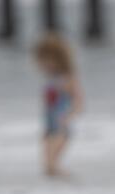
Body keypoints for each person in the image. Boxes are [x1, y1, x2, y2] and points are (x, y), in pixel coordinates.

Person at [33, 34, 83, 178]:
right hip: (49, 114)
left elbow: (78, 97)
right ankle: (49, 165)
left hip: (62, 113)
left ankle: (54, 164)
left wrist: (74, 112)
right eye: (42, 61)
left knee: (62, 136)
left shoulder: (68, 77)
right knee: (47, 137)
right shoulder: (50, 77)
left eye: (48, 60)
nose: (45, 64)